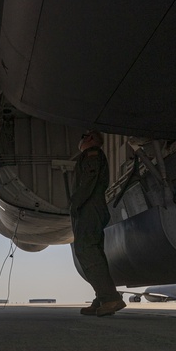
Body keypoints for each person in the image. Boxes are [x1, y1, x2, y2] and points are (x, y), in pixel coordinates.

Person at [71, 130, 125, 316]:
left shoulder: (92, 154)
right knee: (95, 253)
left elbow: (89, 180)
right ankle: (102, 298)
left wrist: (76, 203)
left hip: (89, 206)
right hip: (93, 206)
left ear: (90, 139)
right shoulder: (91, 155)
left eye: (82, 137)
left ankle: (110, 298)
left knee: (86, 249)